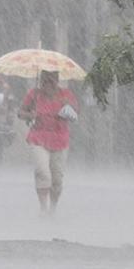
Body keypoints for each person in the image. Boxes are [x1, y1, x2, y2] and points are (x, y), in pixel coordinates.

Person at [18, 70, 79, 214]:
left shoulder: (66, 95)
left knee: (57, 180)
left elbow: (75, 114)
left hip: (60, 140)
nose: (48, 84)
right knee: (43, 172)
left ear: (57, 81)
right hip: (38, 138)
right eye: (45, 81)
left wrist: (68, 106)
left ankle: (53, 208)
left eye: (52, 81)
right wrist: (30, 114)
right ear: (41, 81)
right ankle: (43, 207)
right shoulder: (34, 94)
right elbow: (20, 113)